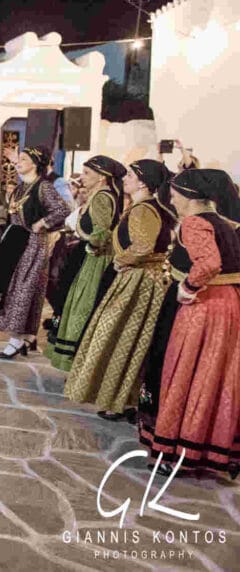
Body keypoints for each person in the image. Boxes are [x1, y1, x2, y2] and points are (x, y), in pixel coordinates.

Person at [138, 169, 240, 478]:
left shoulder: (194, 223)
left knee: (183, 372)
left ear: (190, 197)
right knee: (214, 377)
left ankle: (174, 451)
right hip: (229, 304)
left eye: (175, 194)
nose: (171, 199)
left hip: (203, 306)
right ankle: (210, 447)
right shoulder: (227, 223)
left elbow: (208, 263)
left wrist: (188, 288)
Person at [65, 160, 176, 421]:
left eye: (129, 175)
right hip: (141, 277)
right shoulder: (144, 207)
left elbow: (143, 246)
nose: (123, 178)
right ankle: (122, 398)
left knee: (127, 337)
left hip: (140, 281)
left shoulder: (144, 211)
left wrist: (120, 260)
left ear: (144, 182)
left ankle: (124, 400)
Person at [0, 146, 71, 358]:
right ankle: (28, 336)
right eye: (18, 159)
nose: (17, 162)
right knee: (20, 288)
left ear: (35, 163)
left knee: (24, 288)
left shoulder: (44, 187)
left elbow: (63, 209)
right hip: (14, 241)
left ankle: (16, 339)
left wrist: (43, 222)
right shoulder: (21, 188)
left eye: (22, 159)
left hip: (31, 242)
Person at [45, 156, 127, 372]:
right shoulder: (100, 195)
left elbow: (101, 234)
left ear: (102, 178)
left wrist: (82, 238)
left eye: (87, 173)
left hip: (95, 258)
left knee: (84, 305)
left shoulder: (102, 197)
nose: (82, 177)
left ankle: (80, 364)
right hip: (89, 254)